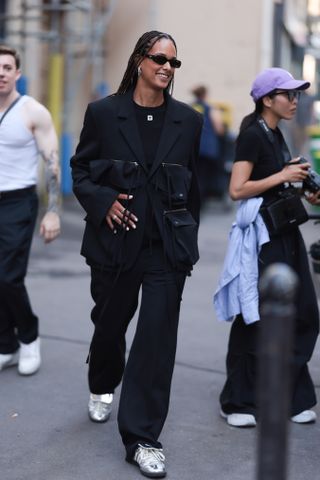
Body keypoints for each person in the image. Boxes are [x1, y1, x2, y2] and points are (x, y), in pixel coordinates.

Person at [71, 31, 202, 478]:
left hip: (166, 249)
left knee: (157, 341)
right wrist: (103, 200)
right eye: (160, 58)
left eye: (174, 62)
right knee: (109, 327)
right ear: (140, 60)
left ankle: (142, 438)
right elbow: (81, 170)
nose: (167, 66)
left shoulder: (188, 120)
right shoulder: (105, 114)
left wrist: (189, 242)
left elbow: (194, 188)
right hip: (115, 243)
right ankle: (102, 382)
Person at [215, 68, 319, 427]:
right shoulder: (251, 136)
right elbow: (237, 189)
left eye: (296, 95)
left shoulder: (276, 134)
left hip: (285, 232)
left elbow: (275, 182)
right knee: (254, 316)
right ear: (266, 99)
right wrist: (283, 176)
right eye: (288, 95)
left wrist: (301, 183)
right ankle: (237, 401)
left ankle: (289, 395)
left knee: (304, 312)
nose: (294, 101)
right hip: (261, 237)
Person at [0, 45, 61, 376]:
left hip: (17, 201)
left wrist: (52, 211)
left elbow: (52, 163)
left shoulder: (32, 112)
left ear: (17, 74)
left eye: (7, 67)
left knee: (8, 277)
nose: (1, 73)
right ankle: (5, 345)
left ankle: (29, 337)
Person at [191, 85, 224, 205]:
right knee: (204, 177)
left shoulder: (190, 107)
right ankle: (200, 203)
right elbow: (219, 129)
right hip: (208, 148)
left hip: (192, 148)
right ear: (205, 94)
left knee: (194, 176)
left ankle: (192, 201)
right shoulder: (211, 108)